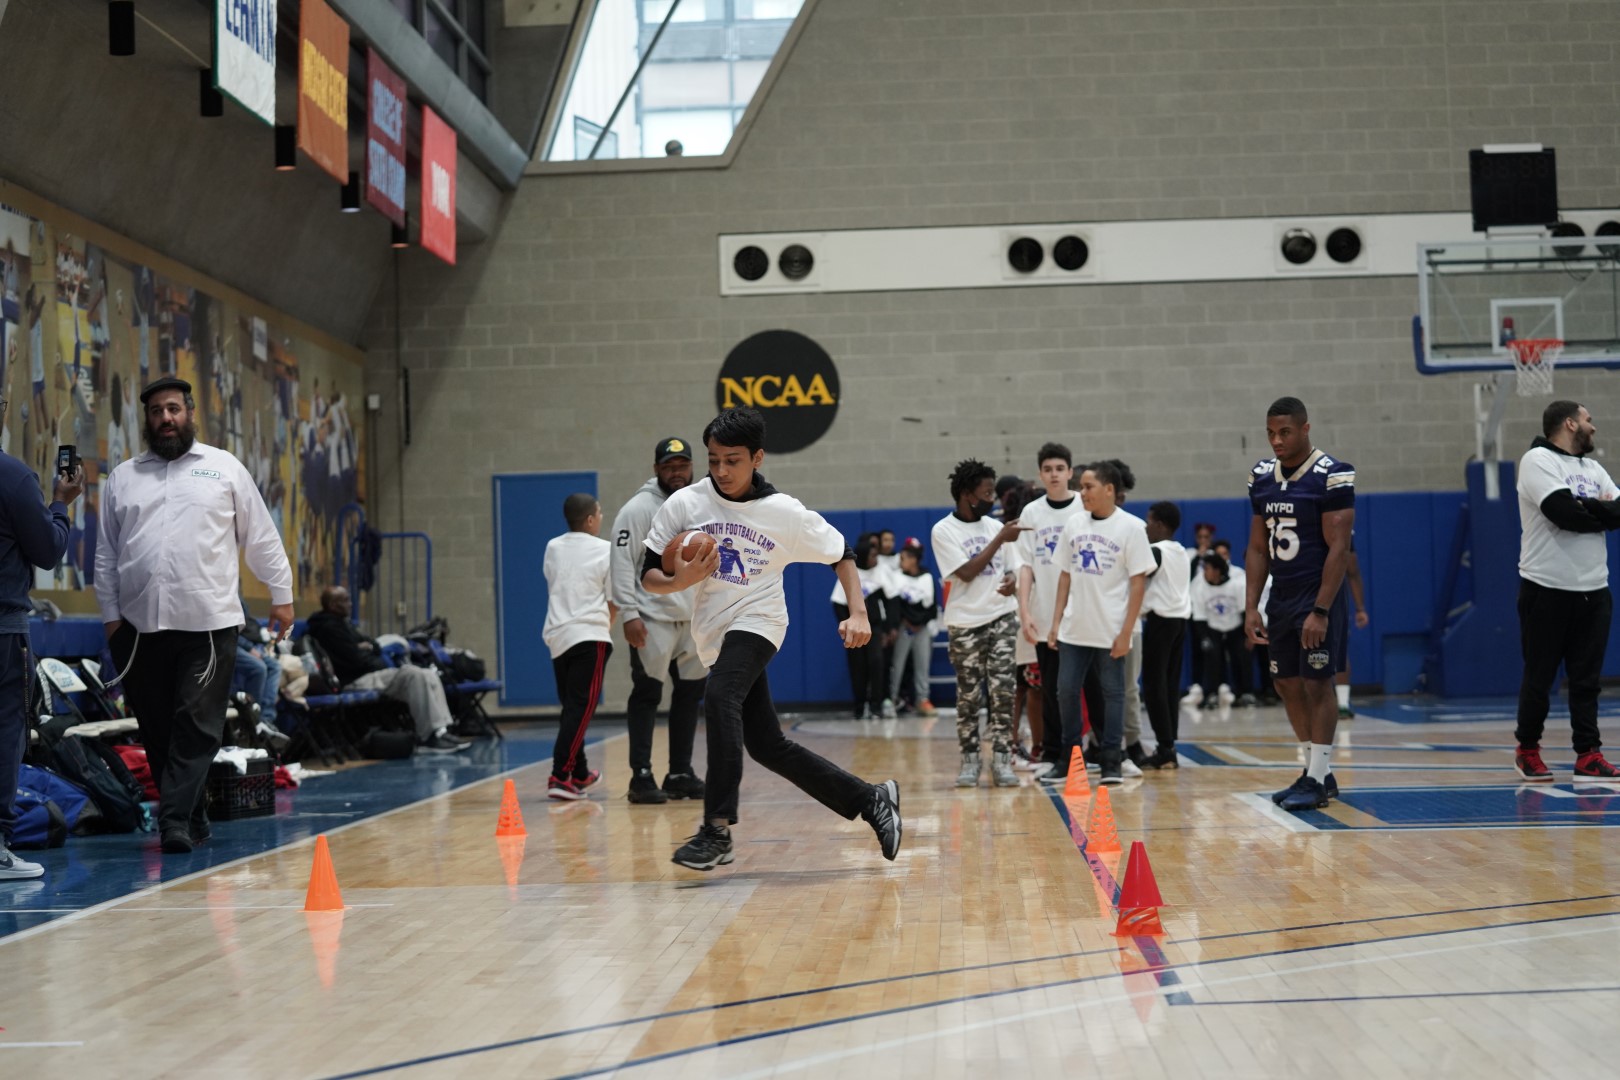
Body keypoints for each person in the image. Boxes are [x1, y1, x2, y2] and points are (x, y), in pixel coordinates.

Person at [641, 407, 900, 871]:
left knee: (719, 696)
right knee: (767, 745)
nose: (721, 471)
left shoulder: (784, 513)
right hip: (714, 632)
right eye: (713, 460)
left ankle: (716, 830)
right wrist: (678, 581)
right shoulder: (684, 504)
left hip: (760, 623)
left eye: (732, 461)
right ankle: (870, 799)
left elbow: (841, 551)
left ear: (757, 458)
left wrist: (858, 612)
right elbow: (648, 576)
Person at [96, 376, 294, 854]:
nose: (166, 418)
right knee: (158, 729)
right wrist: (111, 620)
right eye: (156, 412)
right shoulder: (123, 478)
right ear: (147, 420)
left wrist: (281, 594)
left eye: (173, 409)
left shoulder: (223, 468)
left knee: (196, 725)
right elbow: (106, 554)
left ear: (189, 413)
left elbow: (261, 536)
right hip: (138, 629)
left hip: (208, 623)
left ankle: (173, 823)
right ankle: (193, 815)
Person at [1244, 396, 1356, 812]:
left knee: (1317, 682)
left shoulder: (1332, 474)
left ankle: (1317, 777)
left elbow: (1339, 548)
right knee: (1286, 683)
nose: (1276, 440)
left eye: (1285, 432)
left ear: (1305, 429)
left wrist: (1321, 610)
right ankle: (1317, 772)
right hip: (1281, 596)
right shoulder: (1261, 477)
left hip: (1316, 595)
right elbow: (1258, 548)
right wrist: (1251, 606)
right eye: (1271, 433)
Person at [1511, 400, 1620, 781]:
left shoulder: (1593, 468)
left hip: (1594, 589)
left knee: (1587, 680)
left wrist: (1587, 507)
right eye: (1589, 420)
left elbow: (1618, 512)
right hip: (1546, 588)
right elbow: (1564, 514)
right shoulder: (1538, 461)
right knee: (1539, 678)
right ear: (1570, 424)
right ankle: (1527, 750)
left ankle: (1588, 754)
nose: (1594, 426)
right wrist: (1599, 512)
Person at [0, 415, 82, 880]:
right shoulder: (13, 477)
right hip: (3, 631)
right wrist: (61, 503)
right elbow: (48, 550)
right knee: (5, 734)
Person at [1042, 461, 1154, 786]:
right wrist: (1055, 622)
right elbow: (1064, 576)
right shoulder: (1074, 523)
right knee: (1065, 691)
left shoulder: (1132, 527)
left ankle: (1111, 761)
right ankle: (1070, 759)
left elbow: (1138, 584)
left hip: (1111, 630)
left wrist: (1127, 631)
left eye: (1088, 487)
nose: (1082, 492)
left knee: (1113, 694)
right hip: (1074, 628)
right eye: (1081, 487)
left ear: (1109, 489)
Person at [608, 437, 706, 805]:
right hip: (652, 619)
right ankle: (641, 775)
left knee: (689, 697)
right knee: (647, 695)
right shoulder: (636, 510)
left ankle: (679, 772)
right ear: (656, 470)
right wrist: (629, 614)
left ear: (692, 466)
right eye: (669, 466)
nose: (676, 472)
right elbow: (621, 565)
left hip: (692, 619)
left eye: (682, 465)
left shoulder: (700, 504)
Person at [933, 459, 1025, 788]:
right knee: (969, 696)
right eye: (987, 493)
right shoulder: (944, 530)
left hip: (1002, 616)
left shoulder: (993, 526)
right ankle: (970, 760)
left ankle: (1002, 760)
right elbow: (967, 572)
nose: (992, 499)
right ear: (967, 495)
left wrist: (1012, 580)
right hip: (965, 623)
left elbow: (1011, 567)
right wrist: (1000, 538)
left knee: (1003, 692)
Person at [306, 586, 470, 755]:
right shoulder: (328, 628)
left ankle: (441, 731)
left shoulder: (344, 624)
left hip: (371, 674)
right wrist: (368, 651)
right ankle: (427, 737)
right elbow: (355, 660)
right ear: (333, 605)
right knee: (413, 675)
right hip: (355, 680)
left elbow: (374, 645)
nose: (351, 604)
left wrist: (367, 648)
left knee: (428, 674)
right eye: (346, 600)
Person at [1015, 442, 1085, 780]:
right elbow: (1025, 566)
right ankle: (1055, 752)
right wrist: (1024, 612)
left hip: (1083, 616)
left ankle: (1101, 751)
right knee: (1052, 688)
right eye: (1048, 469)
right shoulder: (1032, 513)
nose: (1054, 475)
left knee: (1089, 688)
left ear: (1070, 472)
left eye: (1060, 468)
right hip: (1044, 616)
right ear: (1040, 474)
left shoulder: (1084, 507)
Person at [541, 494, 616, 800]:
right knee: (581, 708)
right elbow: (613, 599)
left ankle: (580, 772)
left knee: (573, 708)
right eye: (599, 513)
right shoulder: (606, 549)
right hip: (590, 635)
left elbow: (554, 582)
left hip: (558, 637)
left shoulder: (553, 547)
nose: (601, 517)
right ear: (590, 520)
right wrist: (605, 626)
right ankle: (560, 776)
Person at [1141, 501, 1190, 769]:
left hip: (1161, 622)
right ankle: (1169, 744)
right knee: (1169, 685)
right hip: (1180, 622)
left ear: (1159, 524)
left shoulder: (1156, 552)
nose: (1146, 527)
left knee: (1153, 685)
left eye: (1149, 521)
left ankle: (1164, 746)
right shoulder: (1180, 550)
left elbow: (1134, 574)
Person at [1192, 554, 1252, 708]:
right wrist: (1204, 637)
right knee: (1213, 660)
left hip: (1235, 627)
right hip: (1213, 629)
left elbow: (1244, 612)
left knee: (1240, 659)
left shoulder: (1236, 586)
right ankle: (1212, 693)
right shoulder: (1200, 588)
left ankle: (1244, 693)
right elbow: (1199, 617)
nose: (1204, 572)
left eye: (1207, 569)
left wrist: (1248, 635)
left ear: (1217, 571)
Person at [889, 538, 937, 714]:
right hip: (904, 626)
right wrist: (906, 622)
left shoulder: (927, 577)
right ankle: (892, 698)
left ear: (914, 559)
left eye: (904, 558)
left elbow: (932, 606)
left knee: (922, 664)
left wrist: (919, 623)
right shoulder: (896, 577)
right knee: (897, 664)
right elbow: (896, 605)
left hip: (922, 628)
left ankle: (922, 699)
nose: (901, 562)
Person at [1335, 543, 1370, 718]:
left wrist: (1360, 608)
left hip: (1331, 601)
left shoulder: (1341, 532)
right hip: (1302, 597)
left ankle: (1342, 703)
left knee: (1338, 651)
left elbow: (1353, 571)